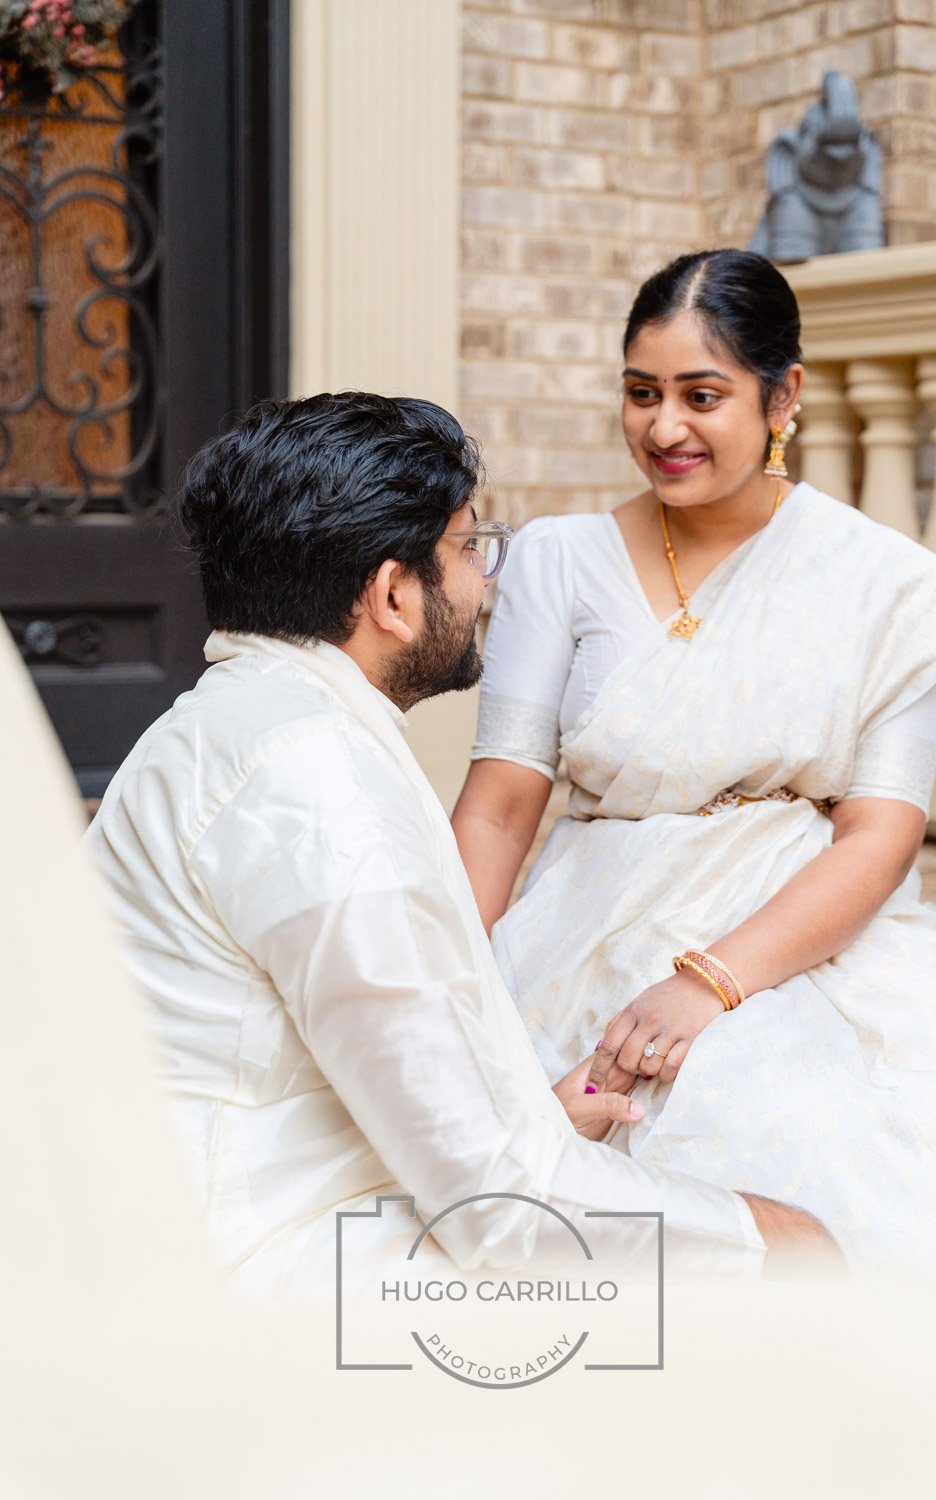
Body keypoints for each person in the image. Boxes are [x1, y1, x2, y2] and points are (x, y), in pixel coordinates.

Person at [83, 391, 831, 1298]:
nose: (486, 579)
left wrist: (526, 1119)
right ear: (393, 595)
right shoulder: (319, 785)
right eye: (469, 547)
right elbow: (502, 1212)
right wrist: (762, 1240)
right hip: (261, 1265)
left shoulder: (231, 724)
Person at [453, 249, 936, 1279]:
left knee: (830, 1159)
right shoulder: (560, 562)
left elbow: (879, 835)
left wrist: (708, 987)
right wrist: (430, 976)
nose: (664, 429)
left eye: (702, 396)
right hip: (582, 926)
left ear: (782, 394)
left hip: (797, 932)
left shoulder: (890, 590)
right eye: (640, 393)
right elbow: (500, 803)